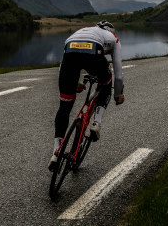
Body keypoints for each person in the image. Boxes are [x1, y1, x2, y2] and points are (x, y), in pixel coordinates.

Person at [49, 20, 125, 170]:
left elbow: (64, 65)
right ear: (111, 31)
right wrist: (117, 94)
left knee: (64, 105)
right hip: (94, 52)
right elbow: (119, 75)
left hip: (70, 51)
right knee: (106, 81)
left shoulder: (81, 32)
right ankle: (96, 123)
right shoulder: (113, 38)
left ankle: (56, 152)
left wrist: (74, 83)